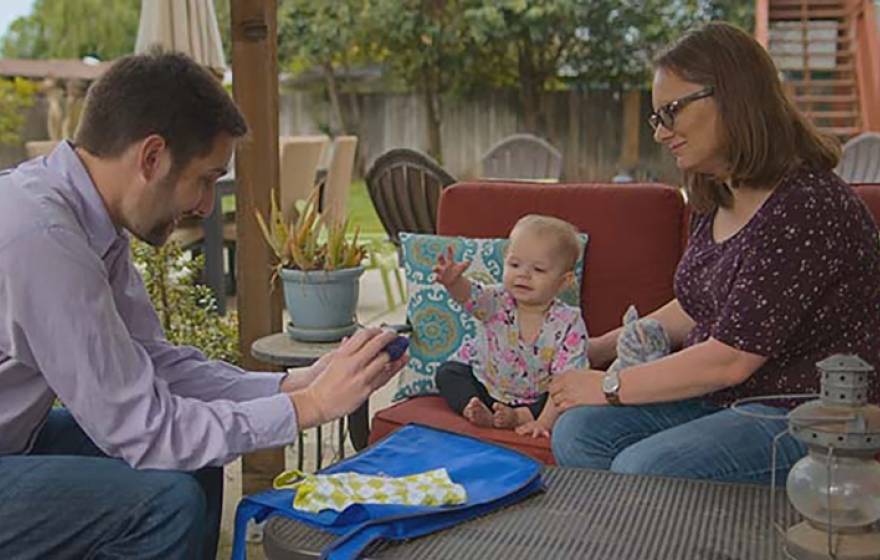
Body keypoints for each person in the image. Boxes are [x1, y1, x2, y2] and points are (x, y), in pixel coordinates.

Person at [0, 52, 406, 560]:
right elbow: (143, 430)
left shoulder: (89, 221)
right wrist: (311, 407)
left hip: (16, 439)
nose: (207, 206)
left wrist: (293, 384)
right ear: (152, 157)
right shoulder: (44, 239)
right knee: (165, 504)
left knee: (196, 455)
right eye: (207, 178)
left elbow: (155, 365)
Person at [549, 21, 880, 483]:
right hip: (726, 399)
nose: (661, 133)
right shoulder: (717, 192)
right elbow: (698, 304)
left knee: (646, 469)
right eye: (657, 118)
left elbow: (730, 359)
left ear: (733, 96)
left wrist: (609, 384)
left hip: (805, 411)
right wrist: (596, 347)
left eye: (672, 111)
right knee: (578, 433)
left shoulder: (808, 205)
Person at [433, 215, 588, 438]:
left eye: (538, 269)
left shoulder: (568, 322)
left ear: (564, 281)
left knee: (563, 398)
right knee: (448, 373)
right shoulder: (496, 300)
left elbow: (565, 380)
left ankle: (518, 417)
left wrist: (543, 423)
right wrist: (454, 282)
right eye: (514, 264)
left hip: (534, 398)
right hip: (485, 385)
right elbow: (470, 296)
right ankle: (473, 408)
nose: (523, 274)